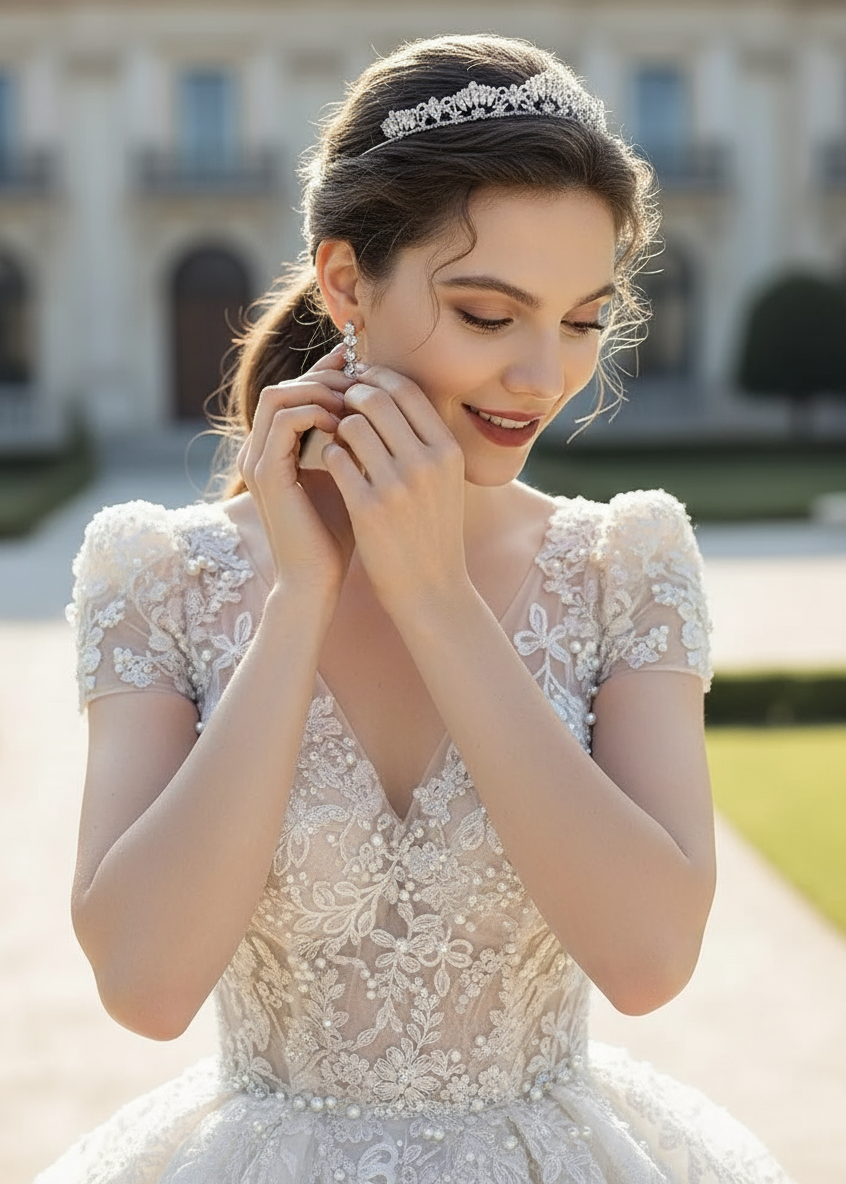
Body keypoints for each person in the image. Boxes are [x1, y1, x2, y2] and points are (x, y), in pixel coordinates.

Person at [41, 33, 792, 1184]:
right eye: (490, 314)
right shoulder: (157, 576)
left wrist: (439, 598)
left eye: (584, 320)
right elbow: (146, 982)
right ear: (345, 282)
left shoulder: (625, 562)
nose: (543, 376)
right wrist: (300, 601)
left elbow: (647, 958)